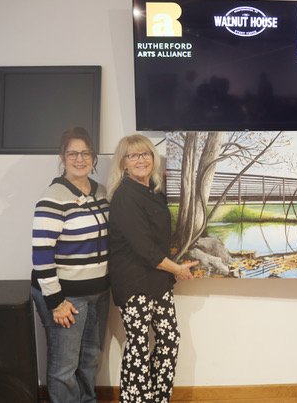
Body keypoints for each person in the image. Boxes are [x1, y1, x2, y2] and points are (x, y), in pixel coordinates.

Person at [107, 134, 198, 403]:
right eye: (133, 155)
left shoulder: (154, 192)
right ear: (123, 163)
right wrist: (178, 270)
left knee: (170, 340)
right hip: (134, 282)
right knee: (138, 345)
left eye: (145, 154)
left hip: (158, 280)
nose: (141, 160)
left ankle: (159, 399)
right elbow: (146, 250)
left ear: (153, 158)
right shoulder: (124, 197)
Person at [31, 127, 110, 402]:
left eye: (85, 152)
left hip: (98, 292)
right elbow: (41, 254)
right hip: (67, 296)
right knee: (64, 368)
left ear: (93, 156)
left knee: (89, 360)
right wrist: (55, 301)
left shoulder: (101, 192)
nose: (80, 158)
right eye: (73, 153)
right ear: (63, 157)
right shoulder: (53, 197)